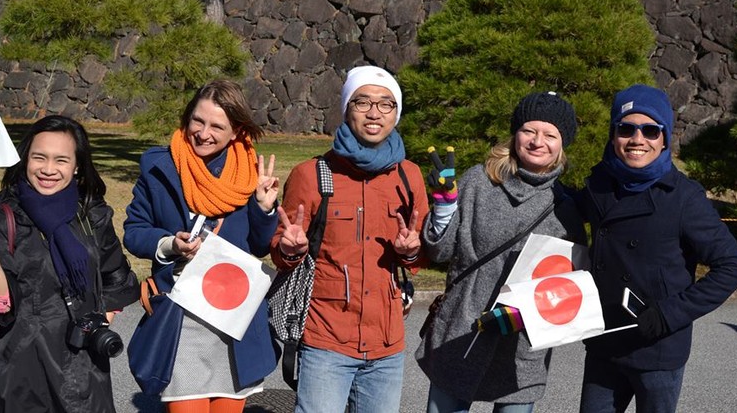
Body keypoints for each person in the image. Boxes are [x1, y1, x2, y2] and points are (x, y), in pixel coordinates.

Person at [577, 84, 737, 413]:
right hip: (605, 340)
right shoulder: (600, 183)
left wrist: (669, 314)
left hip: (658, 348)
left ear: (665, 138)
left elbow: (732, 267)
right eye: (626, 129)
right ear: (613, 135)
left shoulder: (684, 197)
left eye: (650, 130)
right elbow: (566, 213)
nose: (637, 139)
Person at [415, 91, 587, 413]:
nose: (537, 141)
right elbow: (440, 251)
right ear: (514, 134)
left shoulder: (565, 206)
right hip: (462, 327)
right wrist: (444, 207)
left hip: (522, 341)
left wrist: (529, 313)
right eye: (528, 130)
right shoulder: (479, 181)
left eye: (550, 135)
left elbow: (568, 286)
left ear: (562, 144)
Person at [272, 65, 429, 413]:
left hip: (387, 344)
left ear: (396, 114)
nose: (374, 113)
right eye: (362, 102)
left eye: (386, 104)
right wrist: (289, 248)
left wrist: (411, 253)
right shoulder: (312, 174)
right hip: (326, 339)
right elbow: (281, 255)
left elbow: (419, 258)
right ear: (346, 109)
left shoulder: (409, 176)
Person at [123, 79, 280, 413]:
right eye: (198, 120)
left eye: (217, 126)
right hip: (180, 317)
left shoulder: (247, 174)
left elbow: (259, 245)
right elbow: (135, 231)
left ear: (237, 131)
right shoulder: (161, 168)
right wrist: (169, 244)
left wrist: (264, 209)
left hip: (234, 318)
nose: (203, 133)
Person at [0, 115, 139, 413]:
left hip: (82, 366)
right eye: (39, 157)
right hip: (21, 362)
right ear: (25, 159)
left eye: (61, 160)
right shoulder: (5, 217)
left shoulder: (91, 214)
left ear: (76, 165)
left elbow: (116, 277)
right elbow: (1, 304)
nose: (48, 169)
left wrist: (100, 319)